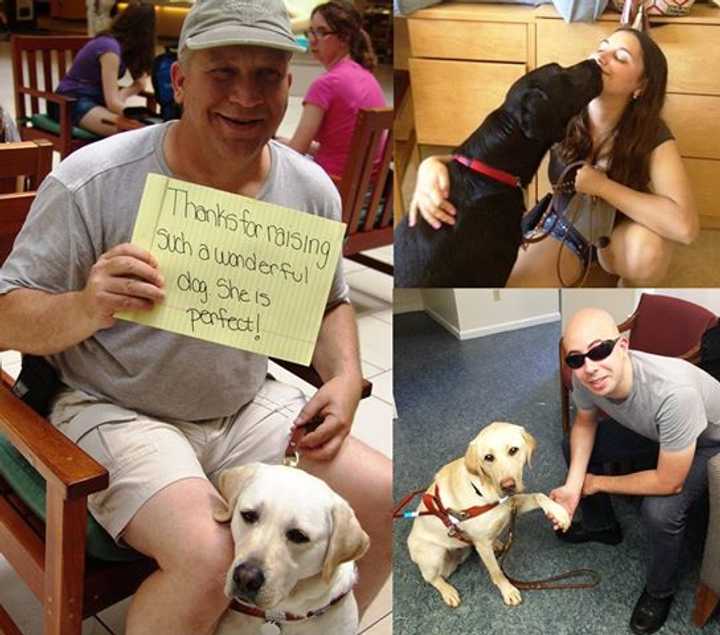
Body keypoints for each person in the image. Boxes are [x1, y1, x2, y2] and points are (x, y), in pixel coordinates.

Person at [0, 0, 392, 633]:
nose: (245, 95)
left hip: (240, 401)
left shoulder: (309, 189)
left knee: (377, 498)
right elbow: (4, 315)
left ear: (288, 86)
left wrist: (344, 376)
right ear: (179, 81)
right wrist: (85, 305)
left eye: (266, 75)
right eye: (222, 72)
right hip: (114, 404)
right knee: (210, 559)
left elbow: (330, 300)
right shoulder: (93, 180)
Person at [407, 28, 698, 287]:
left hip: (621, 233)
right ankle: (594, 267)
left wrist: (603, 187)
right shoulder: (560, 105)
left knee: (647, 251)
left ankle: (612, 271)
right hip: (566, 229)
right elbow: (491, 153)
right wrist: (431, 165)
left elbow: (685, 228)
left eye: (620, 57)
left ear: (641, 86)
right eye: (602, 47)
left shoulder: (652, 134)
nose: (603, 57)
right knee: (510, 290)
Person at [549, 307, 720, 634]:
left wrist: (596, 482)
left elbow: (668, 482)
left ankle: (659, 591)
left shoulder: (673, 392)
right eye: (576, 359)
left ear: (623, 346)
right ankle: (602, 526)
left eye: (600, 350)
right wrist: (573, 487)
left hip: (708, 441)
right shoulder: (586, 372)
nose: (590, 367)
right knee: (569, 444)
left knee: (658, 511)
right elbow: (585, 423)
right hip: (659, 431)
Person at [281, 0, 386, 180]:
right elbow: (344, 147)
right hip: (365, 191)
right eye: (311, 32)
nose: (312, 40)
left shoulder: (326, 85)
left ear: (344, 37)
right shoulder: (367, 77)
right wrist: (283, 144)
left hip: (334, 188)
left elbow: (295, 153)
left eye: (321, 32)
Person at [49, 2, 155, 137]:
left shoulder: (121, 47)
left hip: (92, 103)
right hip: (68, 103)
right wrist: (135, 107)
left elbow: (129, 90)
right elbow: (113, 103)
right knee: (134, 131)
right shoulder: (109, 49)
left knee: (140, 130)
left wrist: (127, 92)